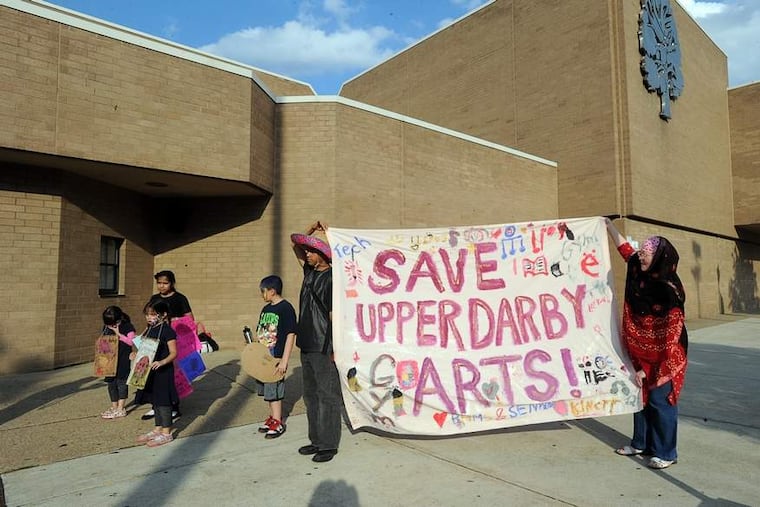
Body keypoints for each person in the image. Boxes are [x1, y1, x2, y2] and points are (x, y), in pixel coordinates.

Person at [605, 218, 688, 470]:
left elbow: (670, 339)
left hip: (665, 357)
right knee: (639, 399)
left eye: (646, 255)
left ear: (660, 258)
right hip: (639, 351)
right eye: (641, 253)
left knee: (660, 402)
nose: (640, 257)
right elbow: (625, 250)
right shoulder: (637, 269)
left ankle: (666, 452)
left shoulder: (668, 291)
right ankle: (640, 443)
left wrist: (649, 368)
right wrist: (608, 225)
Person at [291, 221, 342, 463]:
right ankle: (316, 440)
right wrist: (309, 232)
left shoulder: (333, 277)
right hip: (307, 343)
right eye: (308, 252)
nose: (307, 255)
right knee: (310, 395)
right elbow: (296, 246)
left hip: (323, 345)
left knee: (327, 395)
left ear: (322, 256)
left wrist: (334, 348)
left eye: (312, 252)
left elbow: (334, 316)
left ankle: (328, 444)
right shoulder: (309, 273)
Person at [140, 270, 193, 420]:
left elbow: (189, 319)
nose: (162, 286)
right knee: (153, 375)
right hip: (156, 339)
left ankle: (174, 407)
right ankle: (155, 406)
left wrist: (176, 322)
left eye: (165, 283)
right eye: (159, 283)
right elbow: (150, 318)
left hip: (173, 339)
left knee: (173, 375)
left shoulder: (180, 298)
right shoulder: (155, 298)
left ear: (172, 283)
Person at [254, 275, 298, 439]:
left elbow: (290, 334)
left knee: (275, 389)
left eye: (263, 291)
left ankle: (278, 422)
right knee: (267, 390)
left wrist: (284, 360)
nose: (262, 295)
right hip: (264, 355)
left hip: (276, 356)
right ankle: (272, 418)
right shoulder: (266, 309)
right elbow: (262, 331)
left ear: (272, 291)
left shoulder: (286, 308)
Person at [135, 300, 178, 447]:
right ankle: (157, 428)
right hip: (150, 371)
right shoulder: (149, 329)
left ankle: (166, 433)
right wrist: (136, 355)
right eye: (147, 314)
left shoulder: (167, 331)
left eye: (153, 314)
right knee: (155, 401)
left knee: (164, 401)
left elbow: (174, 353)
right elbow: (143, 348)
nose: (149, 317)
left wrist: (162, 362)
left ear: (163, 314)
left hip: (163, 371)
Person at [100, 306, 136, 419]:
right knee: (111, 384)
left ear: (118, 320)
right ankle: (114, 406)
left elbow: (131, 342)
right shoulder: (107, 327)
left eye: (111, 323)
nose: (109, 325)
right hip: (110, 360)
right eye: (107, 323)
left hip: (123, 360)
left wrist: (118, 334)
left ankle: (121, 408)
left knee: (121, 383)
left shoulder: (127, 326)